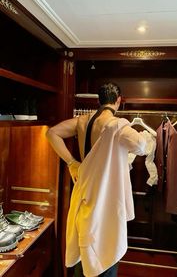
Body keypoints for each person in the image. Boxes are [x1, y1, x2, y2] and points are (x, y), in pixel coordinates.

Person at [46, 83, 147, 277]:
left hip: (84, 191)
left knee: (85, 245)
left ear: (98, 101)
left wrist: (71, 163)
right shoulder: (117, 126)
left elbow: (52, 133)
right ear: (118, 101)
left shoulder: (81, 121)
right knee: (106, 247)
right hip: (105, 196)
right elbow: (142, 146)